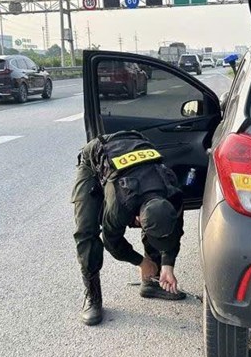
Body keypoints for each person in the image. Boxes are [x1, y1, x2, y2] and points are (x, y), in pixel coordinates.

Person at [72, 130, 187, 326]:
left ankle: (153, 280)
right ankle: (93, 296)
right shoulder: (120, 205)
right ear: (137, 219)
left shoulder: (171, 193)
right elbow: (111, 241)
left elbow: (174, 230)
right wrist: (141, 262)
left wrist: (168, 264)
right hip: (95, 158)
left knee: (158, 225)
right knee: (86, 230)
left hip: (136, 146)